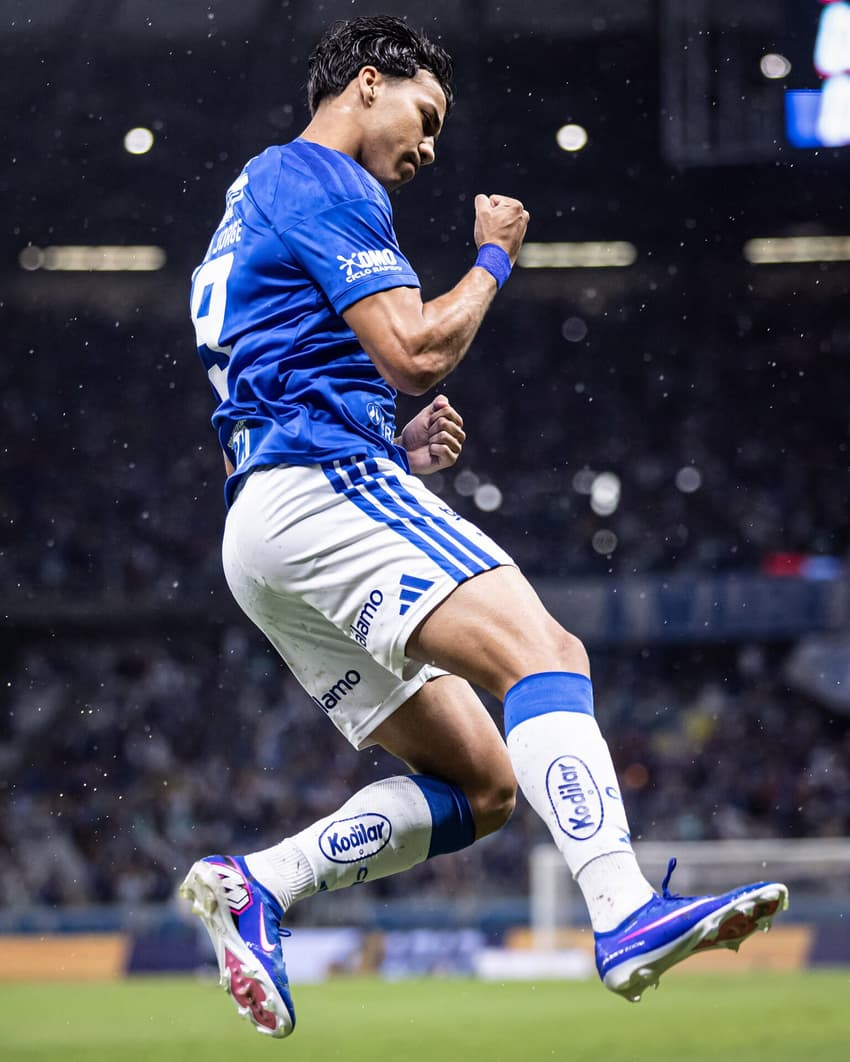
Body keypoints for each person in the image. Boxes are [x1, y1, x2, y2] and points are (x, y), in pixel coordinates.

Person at [180, 14, 788, 1039]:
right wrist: (493, 260)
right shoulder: (319, 176)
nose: (426, 147)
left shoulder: (254, 198)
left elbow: (281, 365)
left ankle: (259, 885)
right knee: (545, 654)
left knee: (486, 785)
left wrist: (386, 437)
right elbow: (418, 348)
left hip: (265, 524)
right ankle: (625, 913)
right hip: (321, 489)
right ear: (368, 83)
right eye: (424, 117)